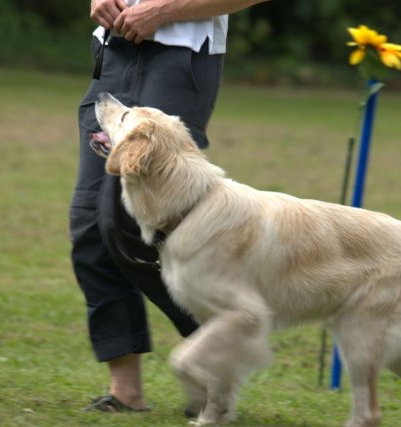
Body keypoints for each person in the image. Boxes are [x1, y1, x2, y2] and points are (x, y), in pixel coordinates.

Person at [70, 0, 268, 414]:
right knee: (90, 224)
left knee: (124, 225)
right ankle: (125, 390)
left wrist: (162, 10)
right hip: (115, 50)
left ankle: (218, 349)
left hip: (181, 58)